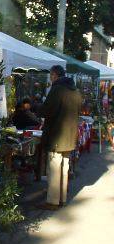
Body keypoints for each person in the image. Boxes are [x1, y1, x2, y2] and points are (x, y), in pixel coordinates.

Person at [38, 65, 82, 210]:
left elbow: (46, 110)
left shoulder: (57, 89)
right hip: (69, 137)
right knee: (64, 168)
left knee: (55, 167)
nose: (50, 78)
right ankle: (61, 198)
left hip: (57, 136)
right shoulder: (75, 91)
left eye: (51, 75)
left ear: (55, 75)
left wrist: (38, 108)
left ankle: (52, 201)